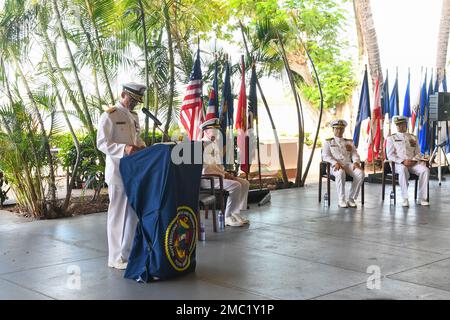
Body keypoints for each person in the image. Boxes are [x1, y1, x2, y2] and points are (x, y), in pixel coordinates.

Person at [97, 82, 147, 269]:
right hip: (117, 171)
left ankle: (126, 254)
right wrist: (124, 148)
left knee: (133, 213)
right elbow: (102, 143)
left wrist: (142, 146)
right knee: (118, 214)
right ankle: (115, 257)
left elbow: (136, 138)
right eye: (132, 99)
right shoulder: (110, 115)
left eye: (137, 101)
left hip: (134, 171)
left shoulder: (133, 116)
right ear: (123, 94)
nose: (134, 103)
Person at [200, 118, 250, 227]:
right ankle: (227, 217)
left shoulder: (213, 145)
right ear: (205, 131)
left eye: (217, 130)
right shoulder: (201, 145)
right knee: (235, 185)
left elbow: (218, 166)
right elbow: (205, 169)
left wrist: (226, 174)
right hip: (207, 179)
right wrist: (224, 175)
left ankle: (235, 213)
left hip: (218, 177)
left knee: (245, 183)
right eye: (213, 130)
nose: (217, 132)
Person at [386, 115, 430, 207]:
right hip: (398, 164)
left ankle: (423, 198)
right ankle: (405, 198)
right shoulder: (391, 138)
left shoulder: (413, 138)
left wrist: (414, 160)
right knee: (403, 169)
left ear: (406, 125)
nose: (400, 127)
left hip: (412, 163)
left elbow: (419, 153)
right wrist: (402, 161)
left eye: (402, 124)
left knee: (425, 170)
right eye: (398, 125)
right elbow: (390, 155)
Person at [322, 119, 365, 208]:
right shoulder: (328, 142)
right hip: (334, 166)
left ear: (344, 130)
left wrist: (356, 162)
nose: (339, 130)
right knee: (340, 173)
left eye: (341, 129)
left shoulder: (349, 142)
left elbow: (354, 153)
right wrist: (335, 162)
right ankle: (341, 199)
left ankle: (351, 198)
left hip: (347, 164)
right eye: (337, 128)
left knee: (360, 173)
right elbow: (325, 156)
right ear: (333, 129)